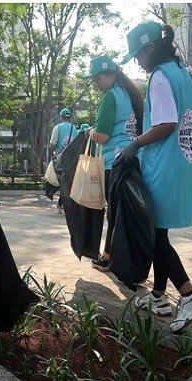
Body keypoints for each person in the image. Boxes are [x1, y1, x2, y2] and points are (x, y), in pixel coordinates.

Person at [118, 21, 192, 332]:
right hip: (182, 163)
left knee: (155, 238)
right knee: (159, 233)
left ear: (150, 49)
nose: (136, 61)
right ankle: (160, 296)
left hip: (162, 165)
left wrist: (133, 145)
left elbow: (166, 123)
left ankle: (188, 294)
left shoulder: (160, 77)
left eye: (138, 54)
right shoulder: (182, 72)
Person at [81, 55, 143, 272]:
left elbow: (102, 136)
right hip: (133, 159)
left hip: (113, 164)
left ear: (110, 75)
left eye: (98, 79)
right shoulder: (131, 94)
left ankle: (108, 258)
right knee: (125, 213)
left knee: (115, 213)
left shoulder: (110, 97)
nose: (96, 84)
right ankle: (128, 260)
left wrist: (90, 131)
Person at [48, 108, 79, 213]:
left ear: (61, 117)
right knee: (68, 182)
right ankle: (62, 204)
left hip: (61, 158)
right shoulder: (74, 129)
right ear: (69, 118)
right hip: (73, 159)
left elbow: (52, 143)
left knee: (60, 182)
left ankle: (61, 204)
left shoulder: (58, 127)